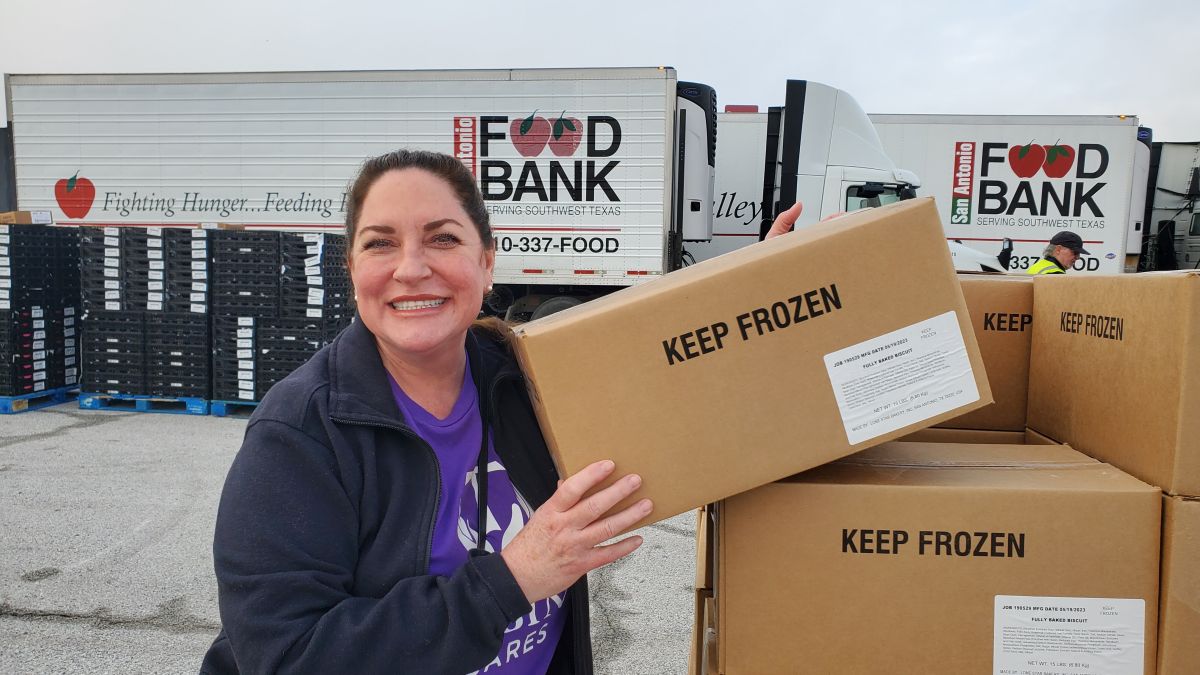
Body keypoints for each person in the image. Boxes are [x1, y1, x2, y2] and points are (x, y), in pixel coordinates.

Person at [200, 150, 652, 675]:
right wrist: (515, 578)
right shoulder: (301, 430)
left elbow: (678, 369)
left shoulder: (525, 381)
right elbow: (288, 656)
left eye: (442, 238)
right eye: (380, 243)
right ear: (352, 269)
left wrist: (764, 271)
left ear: (486, 263)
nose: (411, 268)